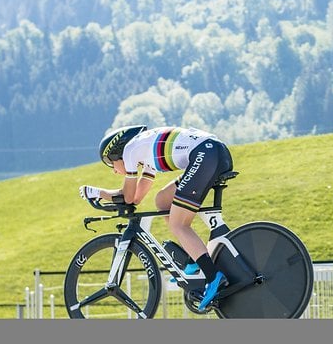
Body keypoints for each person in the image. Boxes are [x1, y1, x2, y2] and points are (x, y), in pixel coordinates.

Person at [80, 125, 234, 311]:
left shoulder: (129, 151)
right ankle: (193, 259)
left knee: (178, 225)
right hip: (213, 152)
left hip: (205, 155)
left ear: (115, 153)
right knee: (162, 200)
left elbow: (127, 197)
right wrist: (109, 196)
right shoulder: (145, 156)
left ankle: (213, 276)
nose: (113, 170)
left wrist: (97, 192)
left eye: (111, 164)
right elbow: (136, 198)